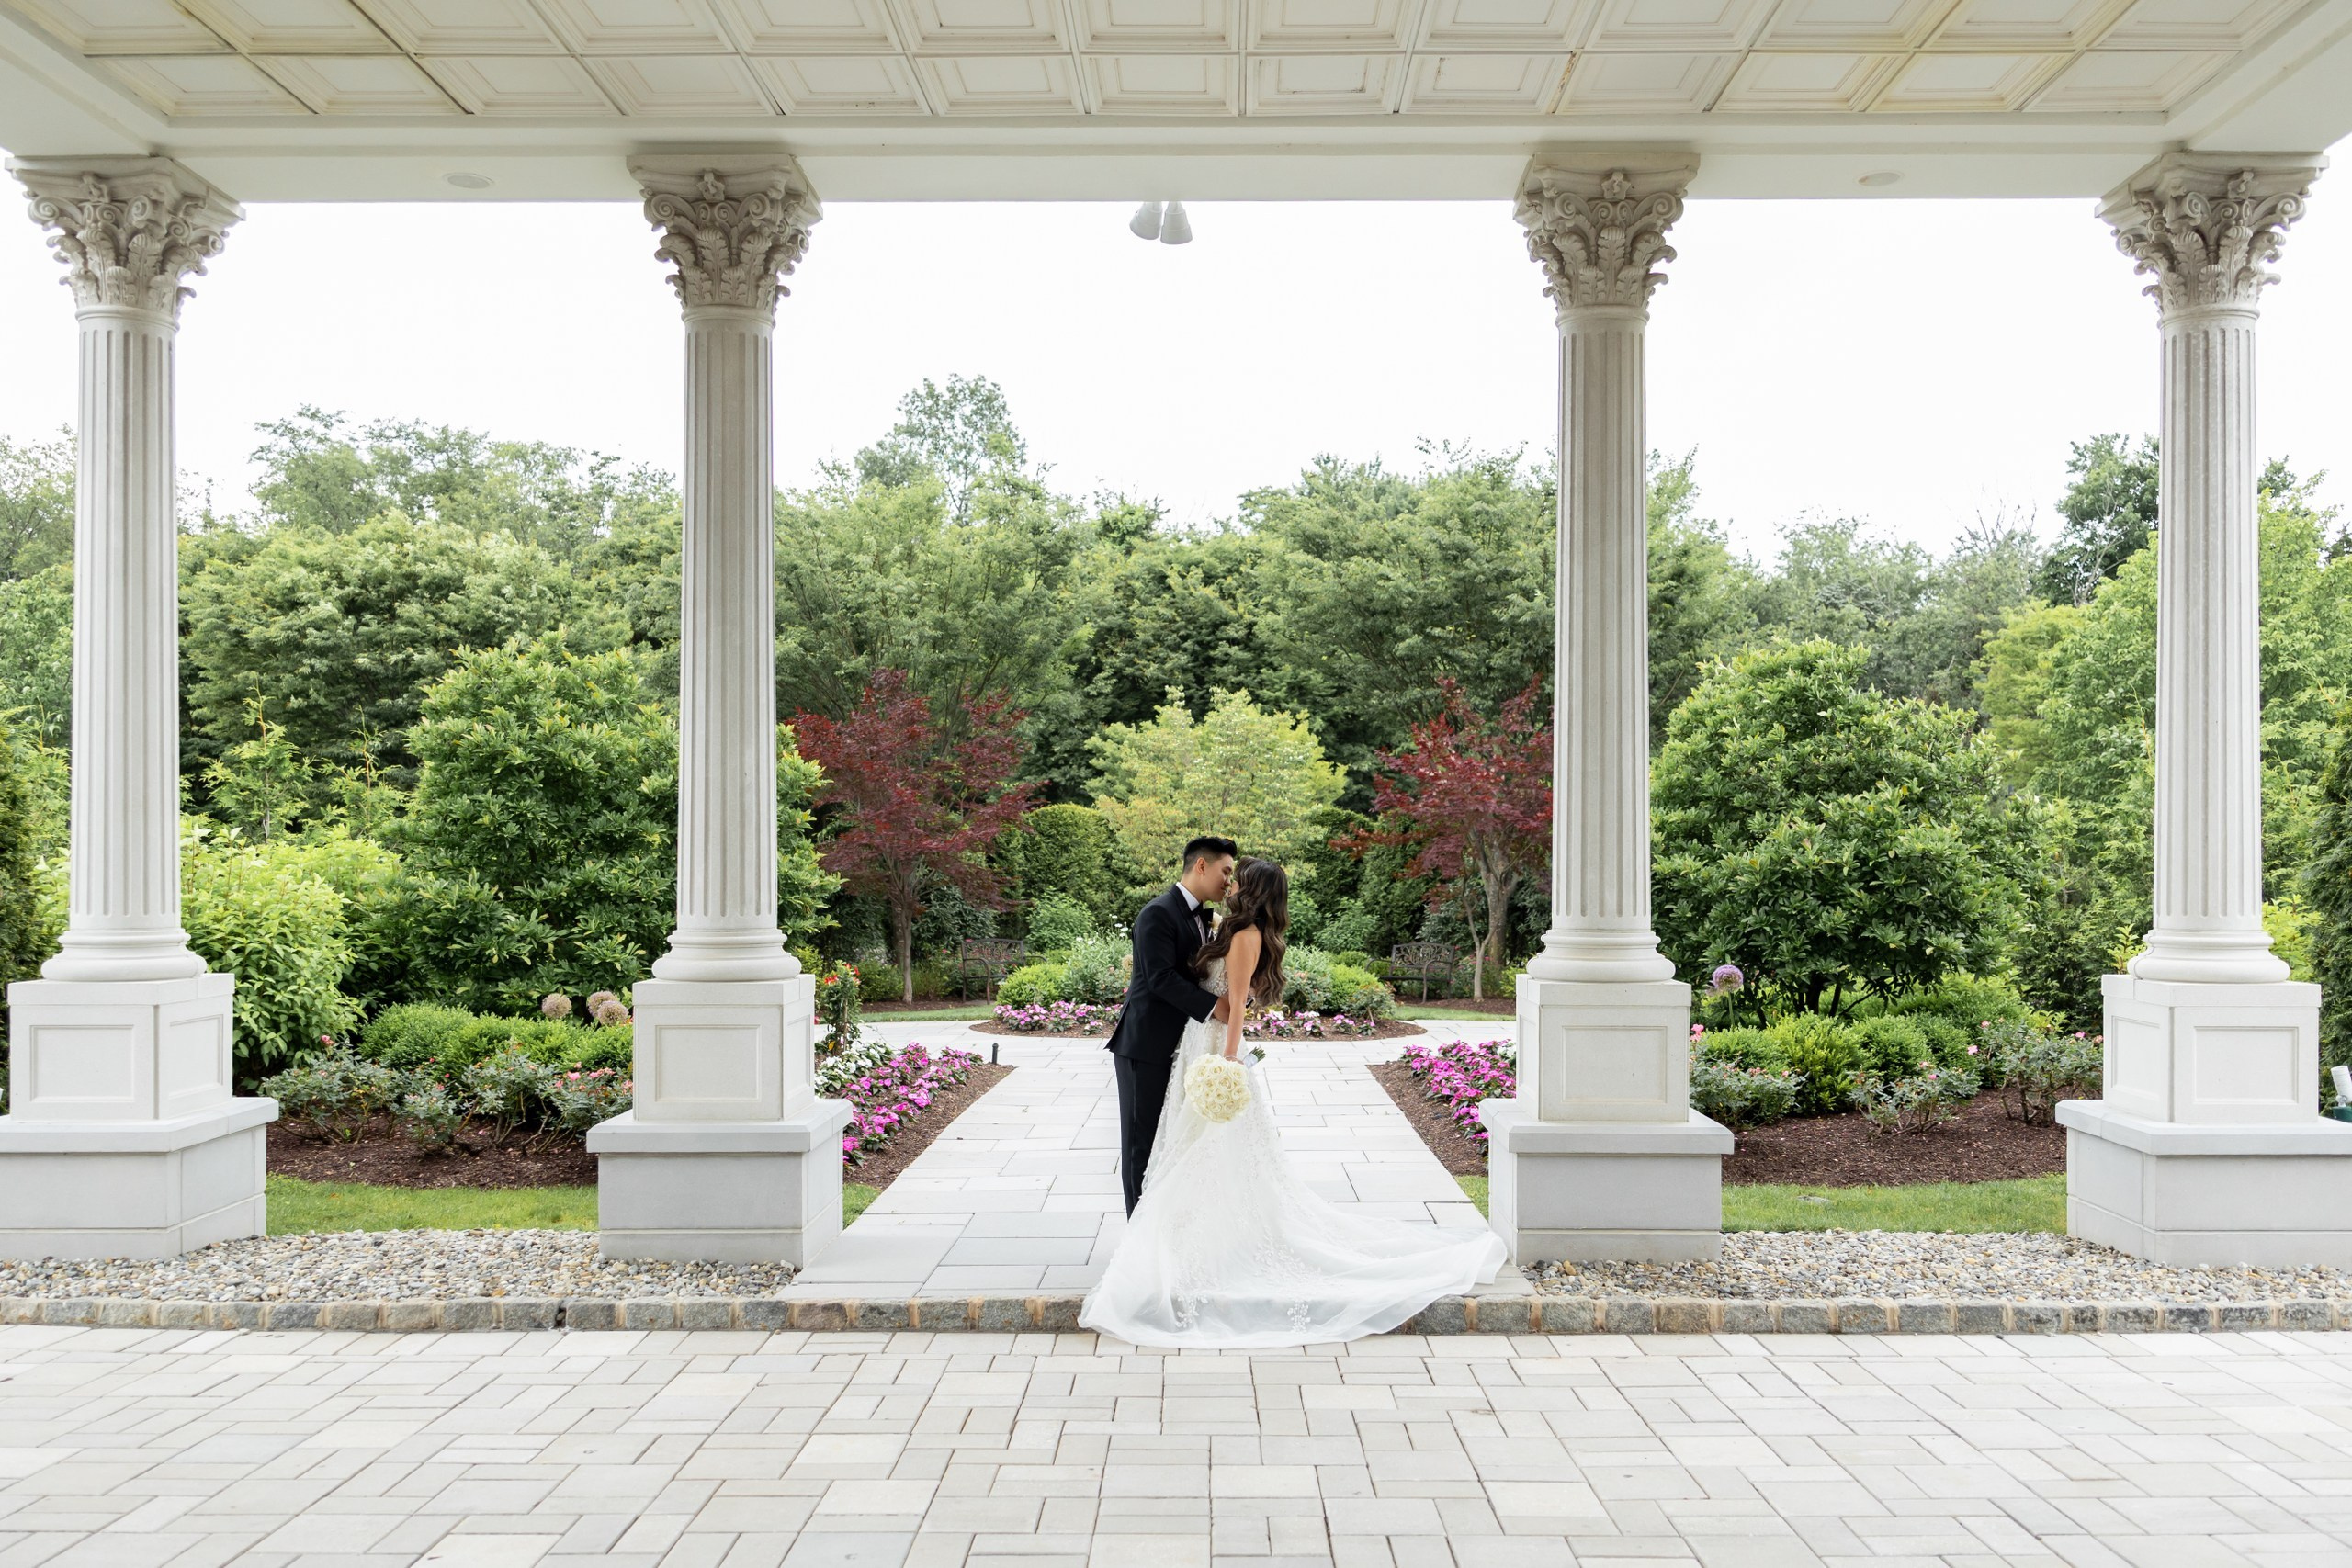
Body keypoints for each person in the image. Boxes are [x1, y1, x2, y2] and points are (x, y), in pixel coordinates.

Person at [1082, 859, 1508, 1348]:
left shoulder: (1246, 936)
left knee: (1202, 1148)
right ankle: (1181, 1242)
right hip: (1195, 1044)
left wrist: (1227, 1062)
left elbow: (1237, 1003)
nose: (1230, 881)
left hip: (1216, 1046)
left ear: (1252, 888)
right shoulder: (1232, 928)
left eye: (1236, 876)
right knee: (1190, 1147)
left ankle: (1185, 1248)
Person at [1106, 836, 1237, 1217]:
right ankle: (1136, 1234)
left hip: (1181, 1046)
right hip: (1144, 1047)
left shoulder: (1203, 917)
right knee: (1140, 1144)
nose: (1228, 881)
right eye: (1225, 871)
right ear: (1201, 865)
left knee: (1169, 1139)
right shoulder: (1157, 913)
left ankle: (1160, 1230)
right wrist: (1218, 1008)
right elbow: (1160, 978)